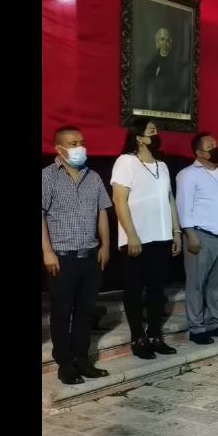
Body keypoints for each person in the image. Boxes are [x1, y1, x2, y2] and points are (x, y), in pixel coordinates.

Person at [42, 125, 112, 385]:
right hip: (62, 257)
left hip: (90, 256)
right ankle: (65, 363)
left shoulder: (93, 176)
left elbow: (102, 211)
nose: (79, 147)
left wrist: (105, 245)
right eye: (73, 143)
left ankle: (82, 359)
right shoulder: (47, 177)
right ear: (58, 148)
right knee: (61, 312)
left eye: (81, 142)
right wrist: (47, 252)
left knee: (85, 311)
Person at [110, 118, 182, 360]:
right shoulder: (126, 162)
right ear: (139, 137)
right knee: (133, 289)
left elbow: (169, 199)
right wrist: (131, 235)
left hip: (161, 237)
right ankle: (138, 337)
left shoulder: (162, 165)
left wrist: (176, 231)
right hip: (137, 239)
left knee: (156, 289)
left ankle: (154, 335)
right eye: (152, 131)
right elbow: (119, 200)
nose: (156, 134)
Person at [176, 132, 218, 344]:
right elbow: (183, 206)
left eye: (216, 143)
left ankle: (215, 323)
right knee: (196, 284)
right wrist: (190, 234)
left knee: (217, 284)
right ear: (199, 153)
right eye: (210, 145)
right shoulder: (188, 175)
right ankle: (196, 328)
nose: (215, 147)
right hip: (200, 237)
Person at [142, 27, 189, 114]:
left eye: (167, 40)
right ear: (157, 42)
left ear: (170, 43)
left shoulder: (176, 64)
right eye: (162, 39)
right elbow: (146, 85)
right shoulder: (151, 64)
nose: (165, 43)